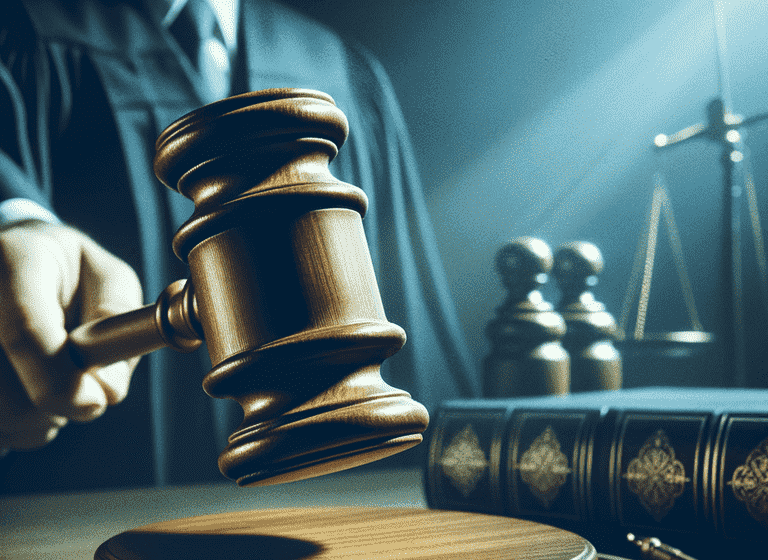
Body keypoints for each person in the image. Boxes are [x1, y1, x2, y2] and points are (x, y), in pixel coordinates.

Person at [0, 0, 479, 493]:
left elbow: (411, 323)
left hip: (331, 519)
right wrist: (16, 222)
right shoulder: (24, 34)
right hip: (74, 521)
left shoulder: (339, 66)